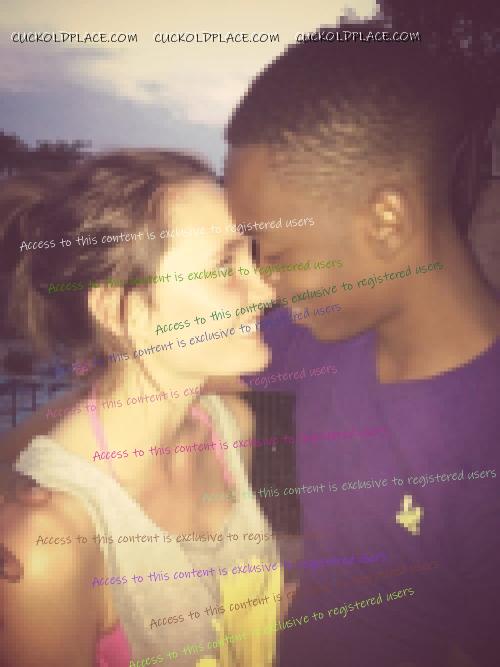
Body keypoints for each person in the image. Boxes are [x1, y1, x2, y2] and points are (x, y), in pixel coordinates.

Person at [222, 21, 500, 667]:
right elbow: (155, 369)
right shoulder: (324, 333)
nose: (262, 281)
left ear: (385, 221)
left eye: (276, 253)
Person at [0, 150, 284, 666]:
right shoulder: (49, 544)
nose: (267, 287)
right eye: (225, 266)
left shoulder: (227, 429)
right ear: (121, 310)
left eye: (252, 254)